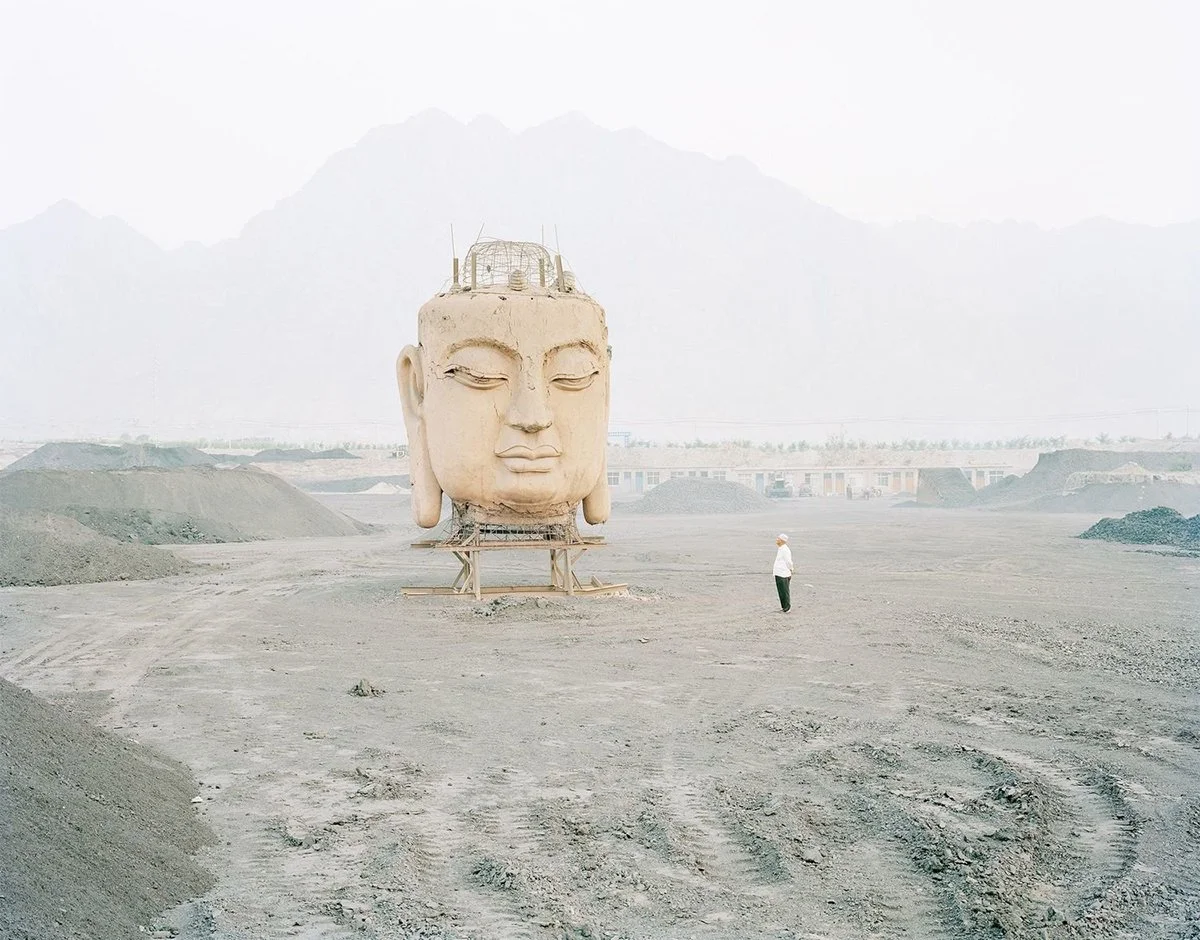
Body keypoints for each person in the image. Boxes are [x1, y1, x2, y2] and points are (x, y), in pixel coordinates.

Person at [773, 533, 794, 612]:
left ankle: (787, 607)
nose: (776, 540)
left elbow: (788, 561)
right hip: (779, 573)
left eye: (778, 539)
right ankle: (784, 607)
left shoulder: (785, 550)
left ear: (782, 540)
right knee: (781, 591)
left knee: (784, 591)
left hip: (783, 573)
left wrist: (791, 569)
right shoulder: (781, 549)